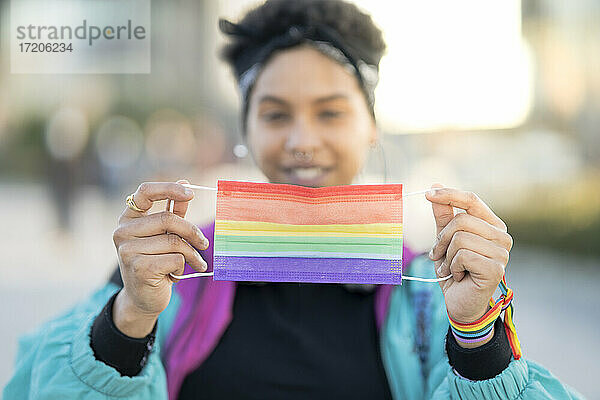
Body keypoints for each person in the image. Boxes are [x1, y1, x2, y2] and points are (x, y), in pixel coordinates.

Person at [4, 1, 583, 399]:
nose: (303, 141)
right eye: (275, 114)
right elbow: (34, 381)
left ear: (372, 127)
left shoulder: (431, 296)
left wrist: (478, 335)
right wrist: (126, 321)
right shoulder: (168, 269)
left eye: (331, 112)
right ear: (246, 131)